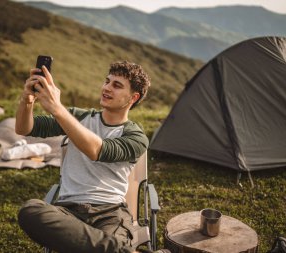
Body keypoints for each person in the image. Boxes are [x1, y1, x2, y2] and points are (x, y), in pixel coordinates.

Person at [15, 60, 170, 253]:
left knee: (110, 241)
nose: (107, 88)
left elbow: (97, 150)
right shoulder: (78, 118)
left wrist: (57, 109)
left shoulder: (136, 137)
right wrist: (26, 100)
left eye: (117, 85)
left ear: (133, 97)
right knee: (30, 211)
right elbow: (24, 127)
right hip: (68, 211)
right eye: (107, 81)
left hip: (110, 213)